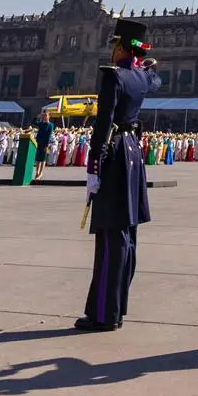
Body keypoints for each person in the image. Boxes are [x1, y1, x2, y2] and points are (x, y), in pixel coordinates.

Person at [74, 17, 161, 332]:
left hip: (114, 153)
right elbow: (155, 79)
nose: (111, 51)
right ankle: (117, 307)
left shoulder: (114, 78)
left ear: (121, 46)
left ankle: (103, 313)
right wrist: (146, 65)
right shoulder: (141, 77)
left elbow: (102, 124)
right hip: (133, 153)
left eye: (114, 45)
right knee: (127, 233)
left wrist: (94, 164)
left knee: (111, 235)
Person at [33, 111, 55, 182]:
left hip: (45, 144)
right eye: (43, 115)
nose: (44, 117)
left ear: (49, 116)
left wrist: (47, 145)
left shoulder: (50, 125)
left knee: (43, 159)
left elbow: (49, 135)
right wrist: (37, 117)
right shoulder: (41, 123)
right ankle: (37, 172)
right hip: (39, 143)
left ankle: (41, 173)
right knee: (38, 159)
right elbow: (34, 122)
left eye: (46, 115)